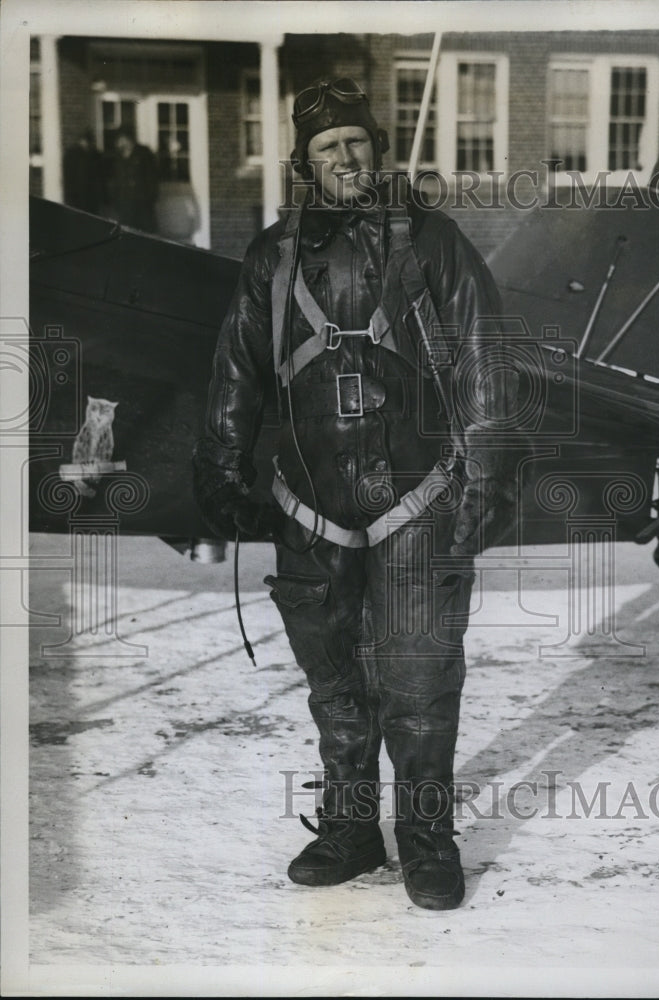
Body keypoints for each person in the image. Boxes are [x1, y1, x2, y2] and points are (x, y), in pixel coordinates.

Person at [193, 78, 517, 910]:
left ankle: (425, 837)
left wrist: (483, 472)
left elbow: (484, 356)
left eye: (357, 142)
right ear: (306, 163)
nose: (346, 157)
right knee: (334, 682)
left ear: (379, 148)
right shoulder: (274, 254)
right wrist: (221, 466)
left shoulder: (434, 243)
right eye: (327, 148)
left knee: (416, 680)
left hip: (418, 499)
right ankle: (348, 829)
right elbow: (237, 367)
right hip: (309, 507)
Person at [108, 126, 159, 232]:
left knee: (146, 232)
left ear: (127, 139)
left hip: (142, 203)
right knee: (128, 232)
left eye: (120, 140)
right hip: (125, 204)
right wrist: (115, 200)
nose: (118, 144)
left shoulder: (143, 153)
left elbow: (152, 177)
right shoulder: (118, 157)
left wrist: (150, 197)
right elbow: (115, 179)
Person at [62, 128, 105, 215]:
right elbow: (68, 178)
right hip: (77, 196)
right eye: (84, 140)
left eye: (88, 141)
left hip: (92, 197)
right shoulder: (72, 155)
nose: (86, 143)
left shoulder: (95, 155)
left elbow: (100, 177)